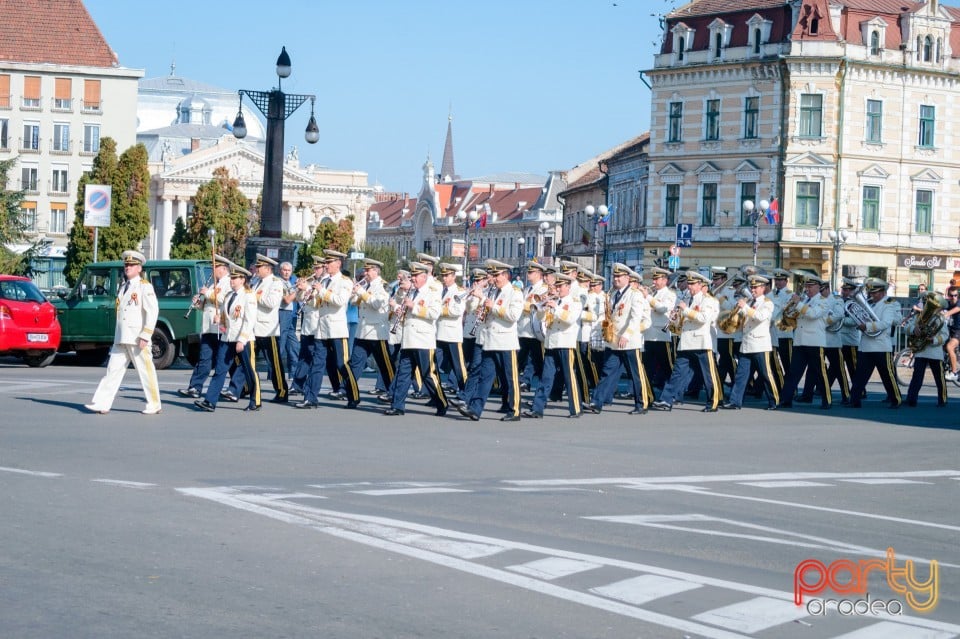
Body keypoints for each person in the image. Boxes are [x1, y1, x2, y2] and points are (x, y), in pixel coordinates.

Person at [85, 250, 162, 415]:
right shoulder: (124, 287)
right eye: (126, 265)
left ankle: (154, 403)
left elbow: (152, 311)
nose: (127, 267)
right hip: (122, 337)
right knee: (112, 371)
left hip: (137, 337)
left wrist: (146, 334)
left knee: (145, 371)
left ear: (139, 268)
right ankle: (102, 403)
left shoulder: (144, 286)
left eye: (131, 265)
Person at [456, 259, 524, 422]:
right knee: (485, 377)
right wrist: (481, 303)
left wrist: (493, 306)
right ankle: (475, 409)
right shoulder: (493, 291)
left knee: (511, 377)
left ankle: (514, 410)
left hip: (506, 342)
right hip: (490, 340)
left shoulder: (514, 292)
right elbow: (486, 313)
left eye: (496, 275)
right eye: (493, 275)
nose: (494, 278)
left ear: (506, 275)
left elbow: (513, 316)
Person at [583, 263, 651, 415]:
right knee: (607, 372)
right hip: (613, 341)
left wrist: (627, 335)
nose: (616, 279)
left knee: (635, 374)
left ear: (627, 278)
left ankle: (642, 403)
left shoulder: (635, 294)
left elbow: (636, 318)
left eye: (619, 276)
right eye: (614, 276)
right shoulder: (613, 294)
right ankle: (597, 402)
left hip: (629, 342)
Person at [296, 249, 360, 409]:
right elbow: (314, 304)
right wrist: (303, 292)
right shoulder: (324, 281)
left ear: (338, 264)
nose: (326, 265)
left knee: (341, 364)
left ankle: (353, 395)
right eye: (325, 263)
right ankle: (310, 398)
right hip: (321, 329)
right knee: (317, 364)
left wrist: (322, 291)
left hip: (337, 329)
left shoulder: (345, 281)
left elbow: (339, 301)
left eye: (328, 263)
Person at [193, 264, 261, 412]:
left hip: (243, 339)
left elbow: (249, 320)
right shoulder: (230, 295)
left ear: (243, 280)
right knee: (220, 370)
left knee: (249, 370)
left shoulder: (248, 296)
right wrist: (220, 320)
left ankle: (255, 400)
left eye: (235, 278)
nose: (232, 280)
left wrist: (242, 340)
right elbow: (227, 317)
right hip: (227, 338)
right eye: (232, 278)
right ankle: (210, 401)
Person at [384, 262, 448, 416]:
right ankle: (397, 405)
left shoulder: (432, 292)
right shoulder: (411, 292)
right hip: (408, 340)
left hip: (423, 340)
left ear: (424, 277)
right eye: (412, 276)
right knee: (403, 374)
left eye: (416, 276)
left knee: (428, 375)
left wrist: (414, 307)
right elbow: (405, 310)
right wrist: (400, 306)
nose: (413, 279)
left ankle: (442, 402)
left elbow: (434, 313)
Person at [652, 271, 722, 412]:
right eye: (689, 284)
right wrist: (675, 317)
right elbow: (681, 323)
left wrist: (685, 310)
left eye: (692, 284)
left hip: (702, 342)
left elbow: (703, 318)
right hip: (686, 342)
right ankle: (666, 399)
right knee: (677, 373)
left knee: (708, 374)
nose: (689, 287)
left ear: (700, 284)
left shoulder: (709, 300)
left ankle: (713, 401)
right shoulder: (687, 299)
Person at [522, 273, 583, 418]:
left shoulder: (575, 302)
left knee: (569, 377)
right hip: (551, 343)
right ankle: (537, 408)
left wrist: (556, 307)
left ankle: (576, 408)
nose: (558, 289)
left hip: (565, 344)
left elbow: (569, 319)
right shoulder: (553, 300)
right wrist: (542, 307)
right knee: (546, 377)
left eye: (560, 286)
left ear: (568, 287)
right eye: (557, 286)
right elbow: (540, 318)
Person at [178, 255, 232, 398]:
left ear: (223, 268)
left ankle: (238, 387)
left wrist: (206, 293)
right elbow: (207, 306)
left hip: (220, 327)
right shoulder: (215, 284)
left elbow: (222, 299)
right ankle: (195, 387)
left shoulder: (228, 283)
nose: (213, 270)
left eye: (215, 267)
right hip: (208, 327)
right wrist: (198, 303)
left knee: (223, 359)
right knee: (204, 358)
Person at [722, 276, 779, 410]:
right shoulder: (749, 302)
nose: (752, 290)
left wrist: (745, 307)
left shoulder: (767, 303)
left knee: (766, 374)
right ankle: (735, 401)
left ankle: (774, 400)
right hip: (746, 343)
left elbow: (759, 317)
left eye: (755, 287)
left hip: (760, 344)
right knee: (741, 375)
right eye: (751, 287)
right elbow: (742, 321)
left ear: (763, 288)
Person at [847, 277, 902, 408]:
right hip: (866, 346)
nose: (872, 295)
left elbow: (885, 323)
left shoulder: (888, 305)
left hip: (881, 346)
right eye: (871, 292)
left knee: (887, 376)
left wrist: (867, 326)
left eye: (875, 292)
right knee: (860, 376)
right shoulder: (869, 304)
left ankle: (896, 399)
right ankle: (854, 401)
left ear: (883, 292)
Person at [779, 275, 832, 409]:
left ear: (818, 287)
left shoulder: (823, 301)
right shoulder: (805, 300)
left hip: (815, 342)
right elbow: (793, 316)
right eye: (806, 286)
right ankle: (786, 399)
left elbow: (813, 314)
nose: (807, 289)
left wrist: (798, 303)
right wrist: (790, 309)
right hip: (800, 341)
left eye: (810, 286)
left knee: (820, 373)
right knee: (793, 372)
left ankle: (827, 400)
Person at [347, 258, 394, 399]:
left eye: (367, 270)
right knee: (355, 363)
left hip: (377, 332)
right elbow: (354, 302)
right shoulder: (365, 285)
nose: (365, 273)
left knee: (385, 366)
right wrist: (355, 292)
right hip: (363, 331)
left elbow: (376, 304)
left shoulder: (383, 286)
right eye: (364, 270)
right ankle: (348, 392)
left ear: (375, 270)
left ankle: (393, 392)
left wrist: (361, 292)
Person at [904, 295, 949, 407]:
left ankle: (942, 399)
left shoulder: (940, 318)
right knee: (917, 377)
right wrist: (914, 329)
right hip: (921, 351)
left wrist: (933, 339)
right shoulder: (919, 316)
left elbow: (945, 335)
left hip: (935, 352)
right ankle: (911, 399)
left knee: (939, 378)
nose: (926, 306)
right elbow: (907, 327)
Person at [435, 262, 468, 394]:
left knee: (458, 367)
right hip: (438, 333)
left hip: (451, 334)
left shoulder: (459, 291)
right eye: (443, 275)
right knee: (433, 365)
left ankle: (465, 392)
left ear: (454, 276)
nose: (444, 278)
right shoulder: (440, 291)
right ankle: (435, 393)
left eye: (447, 275)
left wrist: (440, 310)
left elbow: (457, 310)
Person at [642, 266, 677, 390]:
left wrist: (648, 297)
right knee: (647, 367)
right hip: (648, 334)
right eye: (654, 279)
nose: (653, 282)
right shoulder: (653, 293)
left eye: (656, 279)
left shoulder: (670, 294)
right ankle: (647, 394)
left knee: (667, 366)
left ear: (665, 280)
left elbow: (662, 309)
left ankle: (670, 393)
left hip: (661, 336)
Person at [517, 261, 548, 391]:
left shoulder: (543, 289)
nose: (528, 274)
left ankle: (543, 388)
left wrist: (519, 305)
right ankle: (523, 382)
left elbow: (535, 307)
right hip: (523, 330)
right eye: (528, 272)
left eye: (531, 272)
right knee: (521, 360)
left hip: (535, 331)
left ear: (538, 274)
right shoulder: (527, 289)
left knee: (538, 361)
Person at [277, 261, 300, 381]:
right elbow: (286, 300)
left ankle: (293, 373)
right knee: (280, 345)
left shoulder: (288, 283)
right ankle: (275, 373)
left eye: (289, 270)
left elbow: (296, 299)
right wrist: (297, 290)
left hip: (289, 314)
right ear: (280, 271)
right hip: (282, 313)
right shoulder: (278, 283)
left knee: (294, 346)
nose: (286, 272)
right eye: (284, 270)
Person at [943, 286, 960, 380]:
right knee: (939, 343)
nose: (954, 297)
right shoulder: (948, 303)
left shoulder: (959, 303)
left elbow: (956, 309)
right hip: (950, 329)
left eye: (955, 295)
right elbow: (939, 308)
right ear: (948, 296)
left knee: (950, 347)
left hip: (959, 331)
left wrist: (946, 314)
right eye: (951, 295)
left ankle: (954, 373)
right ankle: (947, 365)